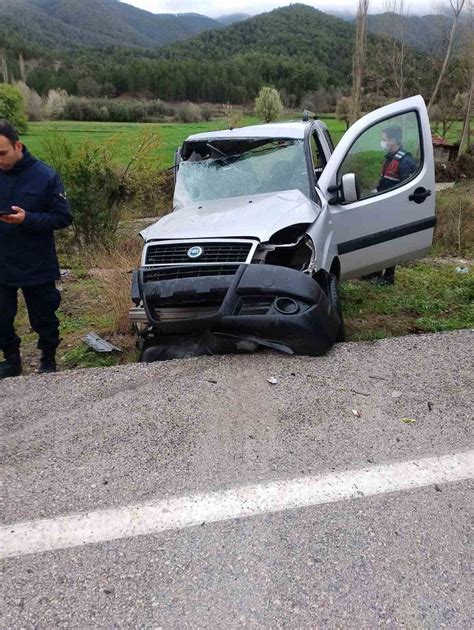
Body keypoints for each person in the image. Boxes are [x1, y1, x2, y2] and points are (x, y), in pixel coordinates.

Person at [0, 120, 72, 378]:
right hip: (2, 262)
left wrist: (28, 219)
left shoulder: (45, 175)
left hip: (36, 262)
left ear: (18, 146)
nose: (0, 160)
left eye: (2, 153)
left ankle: (48, 360)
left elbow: (63, 217)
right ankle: (11, 360)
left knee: (43, 317)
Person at [368, 125, 418, 285]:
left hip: (394, 209)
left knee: (389, 242)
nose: (382, 142)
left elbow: (407, 188)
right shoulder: (390, 157)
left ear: (394, 140)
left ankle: (389, 276)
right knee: (378, 239)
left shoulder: (405, 161)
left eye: (384, 139)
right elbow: (385, 181)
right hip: (383, 206)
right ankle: (375, 270)